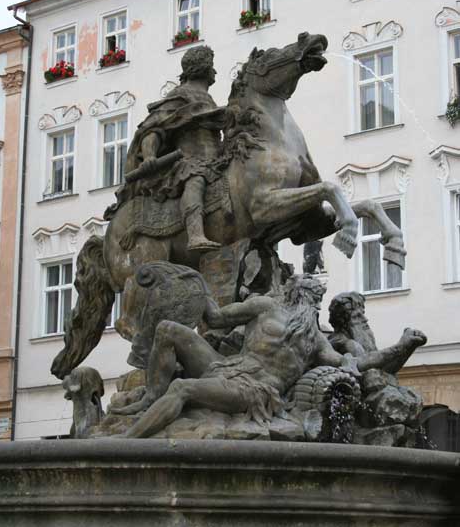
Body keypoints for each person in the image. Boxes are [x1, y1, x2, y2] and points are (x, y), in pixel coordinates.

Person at [111, 275, 426, 438]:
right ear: (293, 290)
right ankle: (150, 398)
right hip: (225, 366)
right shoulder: (265, 306)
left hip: (254, 390)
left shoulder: (317, 342)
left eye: (316, 297)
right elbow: (216, 317)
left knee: (182, 388)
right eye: (309, 291)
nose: (313, 298)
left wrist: (402, 346)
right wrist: (198, 285)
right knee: (167, 330)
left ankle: (126, 442)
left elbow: (357, 364)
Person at [112, 45, 228, 251]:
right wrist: (149, 155)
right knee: (195, 180)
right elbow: (153, 129)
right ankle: (195, 235)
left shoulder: (207, 98)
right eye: (211, 65)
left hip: (216, 160)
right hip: (189, 161)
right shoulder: (180, 95)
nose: (215, 71)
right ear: (202, 68)